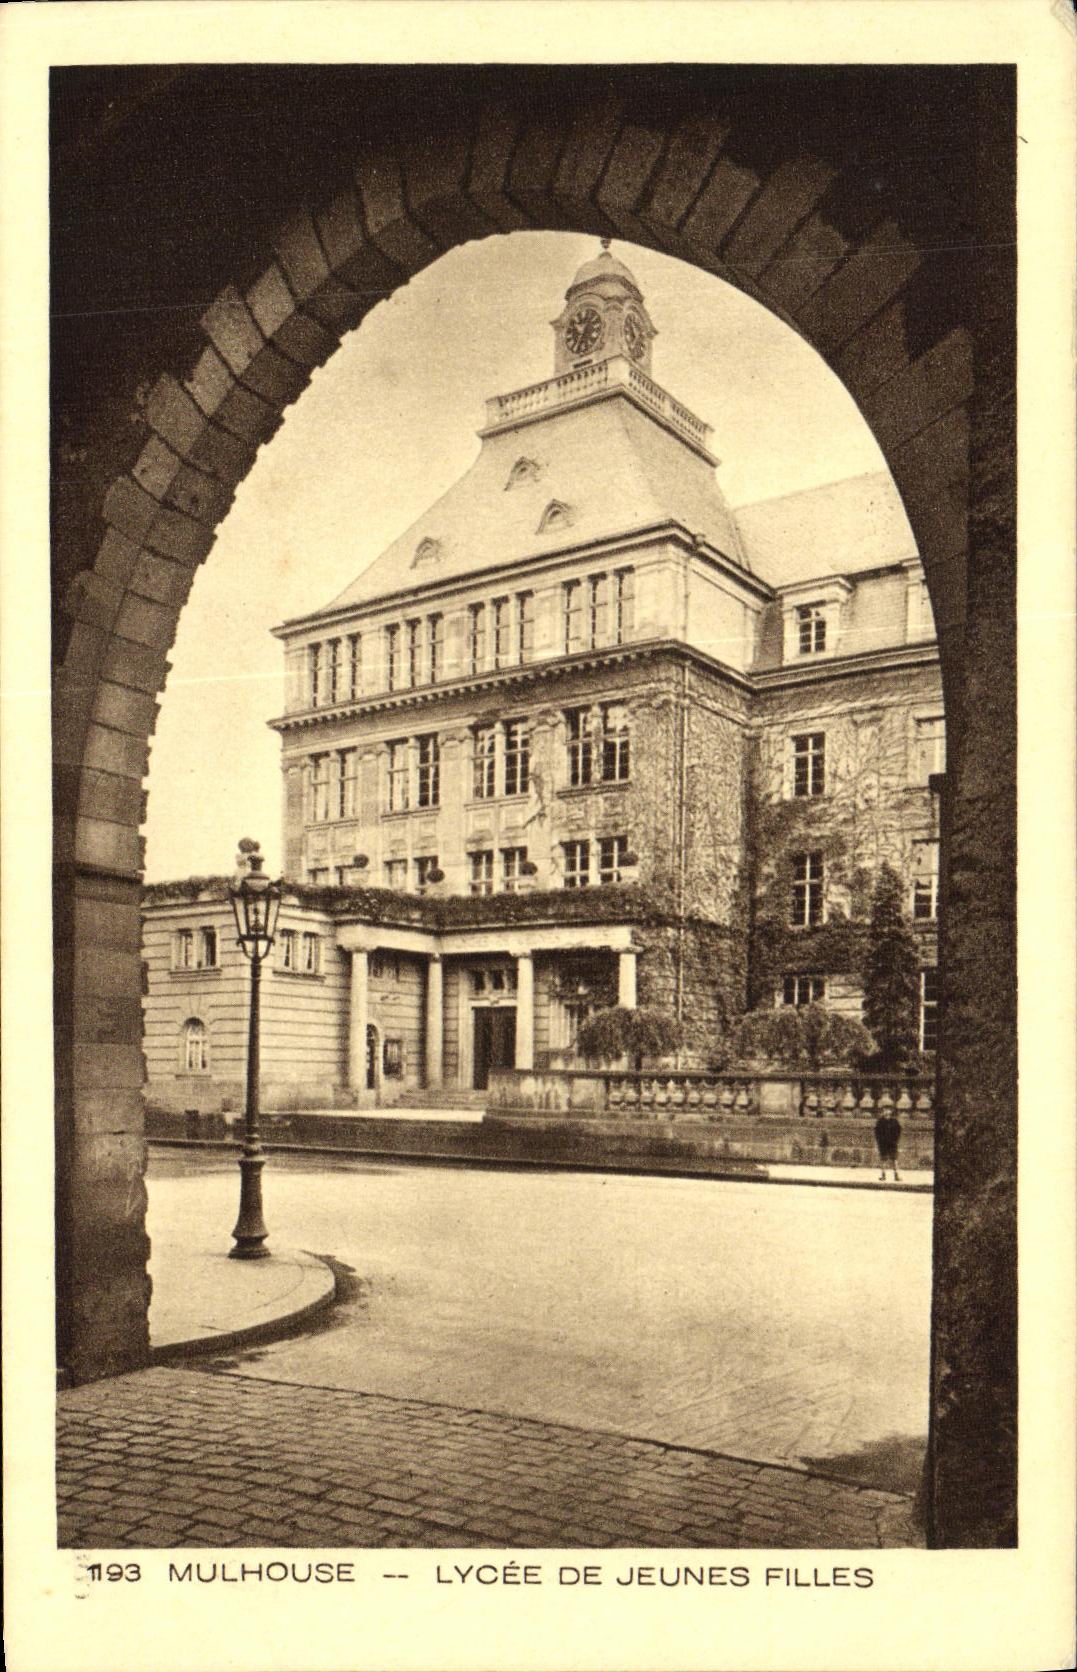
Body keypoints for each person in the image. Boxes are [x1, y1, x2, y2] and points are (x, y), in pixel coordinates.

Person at [873, 1110, 902, 1181]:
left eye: (887, 1113)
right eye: (885, 1113)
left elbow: (898, 1131)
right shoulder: (880, 1122)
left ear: (890, 1114)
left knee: (894, 1160)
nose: (886, 1114)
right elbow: (877, 1133)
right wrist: (879, 1142)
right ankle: (884, 1175)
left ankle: (896, 1175)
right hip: (884, 1144)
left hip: (892, 1144)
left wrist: (896, 1140)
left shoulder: (894, 1121)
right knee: (884, 1160)